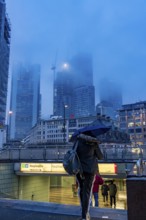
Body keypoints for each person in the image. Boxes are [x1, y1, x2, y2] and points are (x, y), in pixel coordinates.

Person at [76, 133, 103, 220]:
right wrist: (96, 147)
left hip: (79, 169)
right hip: (90, 170)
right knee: (87, 191)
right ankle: (85, 215)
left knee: (82, 188)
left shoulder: (78, 141)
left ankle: (83, 209)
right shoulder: (93, 144)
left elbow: (74, 154)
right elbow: (100, 156)